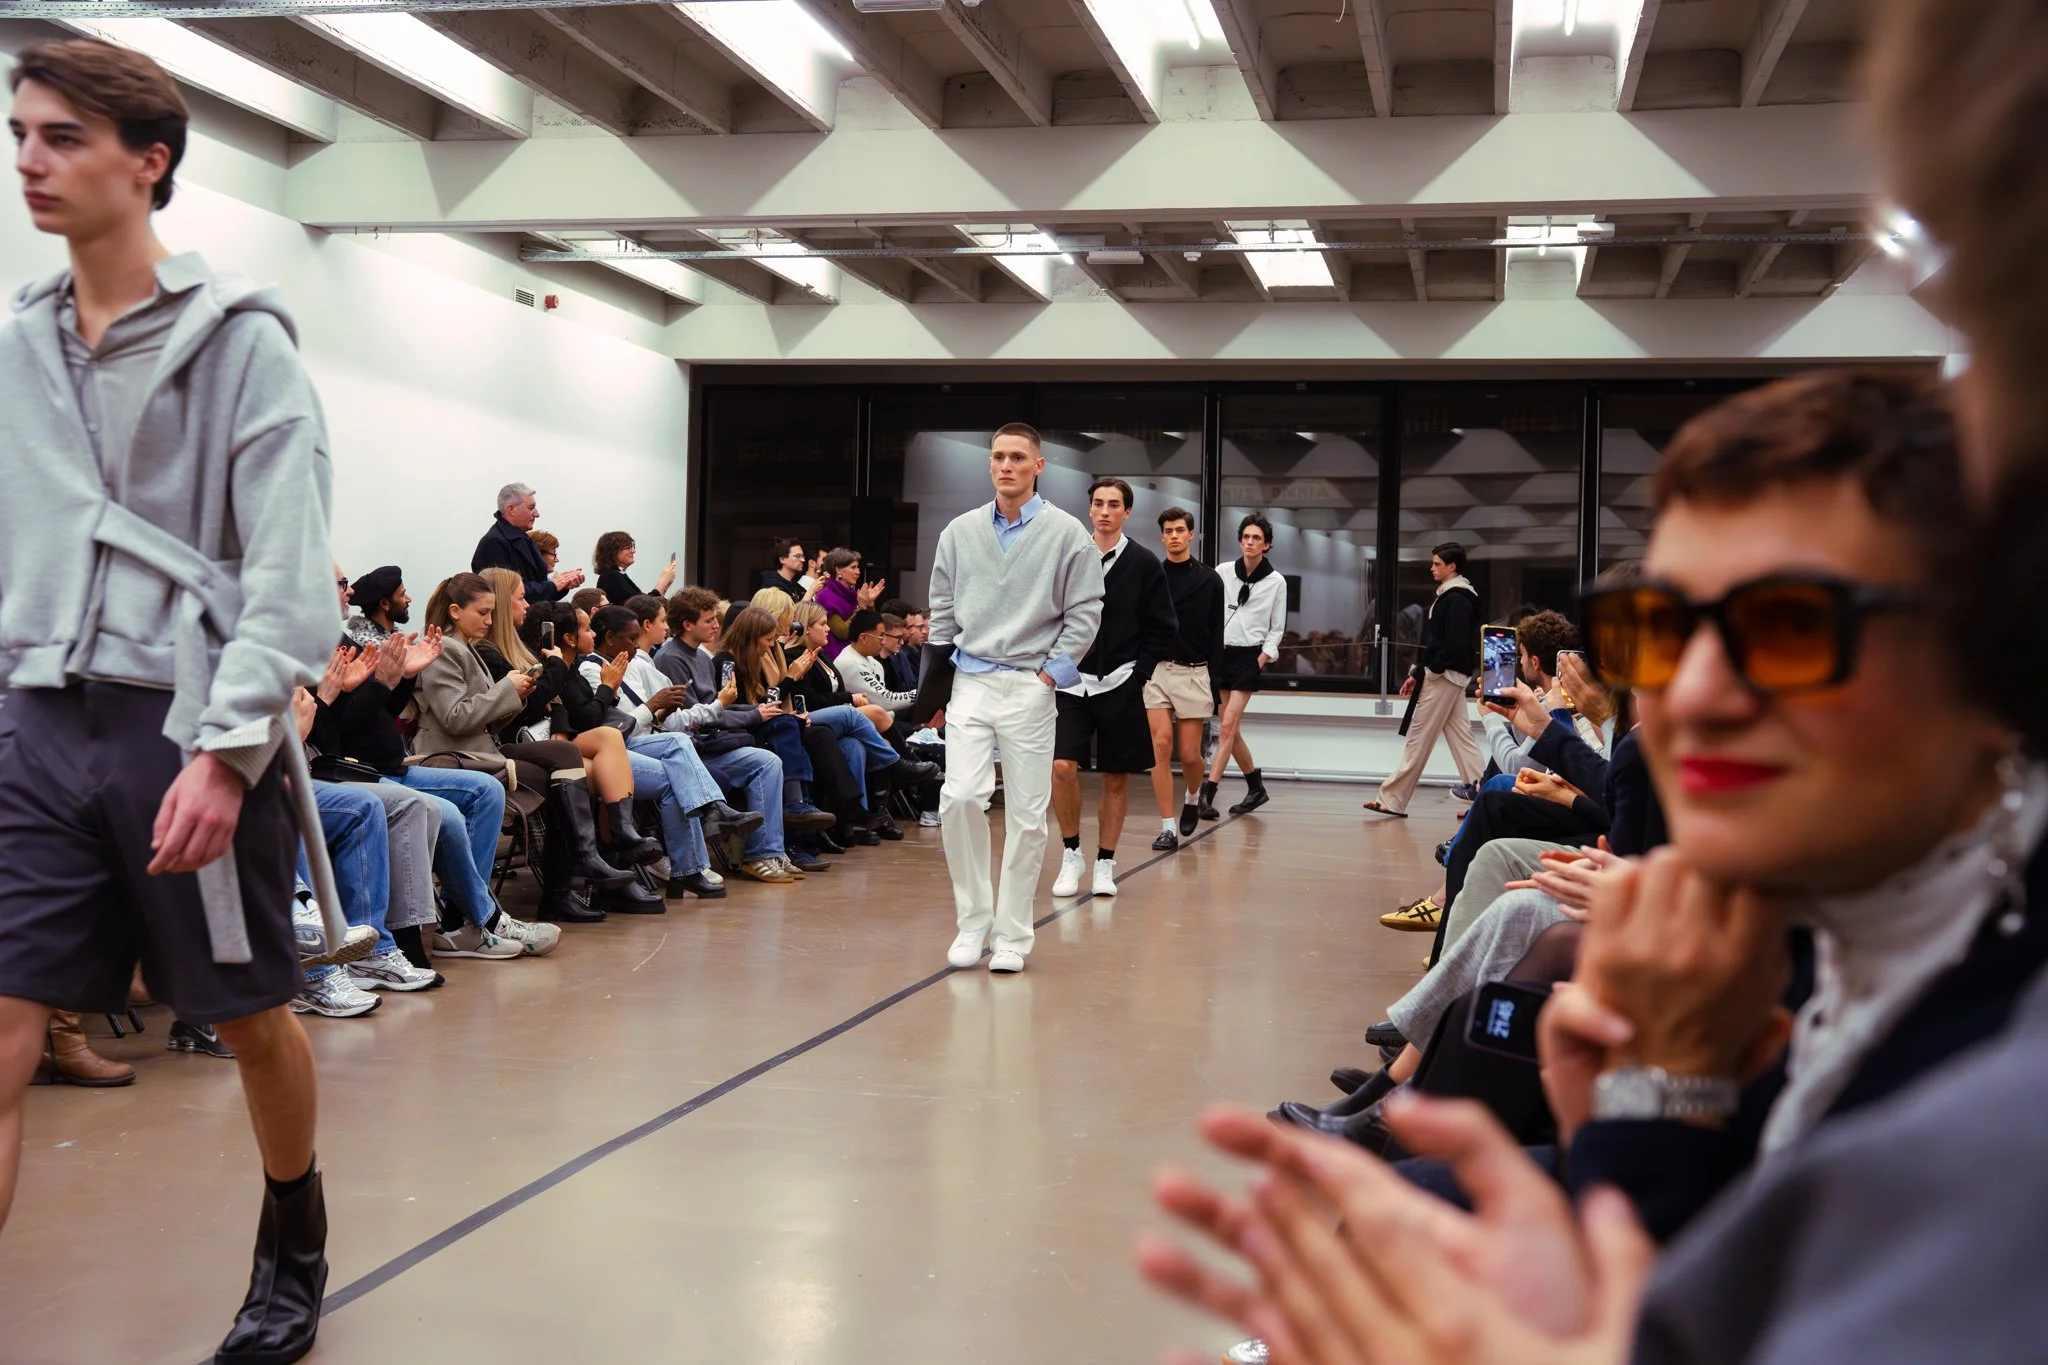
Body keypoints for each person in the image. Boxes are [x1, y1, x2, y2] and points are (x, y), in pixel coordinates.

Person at [1135, 371, 2048, 1365]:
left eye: (1788, 625)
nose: (1693, 692)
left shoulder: (2004, 1081)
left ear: (1992, 663)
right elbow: (1720, 1239)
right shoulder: (1816, 921)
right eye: (1658, 628)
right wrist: (1654, 1102)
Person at [0, 39, 339, 1364]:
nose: (31, 160)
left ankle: (293, 1230)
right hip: (37, 720)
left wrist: (227, 748)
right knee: (4, 1025)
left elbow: (289, 575)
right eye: (21, 134)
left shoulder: (243, 345)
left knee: (247, 1015)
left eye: (64, 137)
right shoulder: (18, 347)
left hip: (185, 721)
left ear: (149, 162)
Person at [932, 422, 1105, 974]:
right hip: (971, 679)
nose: (1006, 466)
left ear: (1038, 466)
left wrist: (1050, 676)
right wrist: (937, 685)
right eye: (999, 457)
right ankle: (972, 922)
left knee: (1028, 817)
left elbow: (1086, 611)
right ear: (990, 464)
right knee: (960, 798)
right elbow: (941, 609)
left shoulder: (1067, 534)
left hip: (1031, 683)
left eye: (1017, 457)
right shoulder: (959, 531)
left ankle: (1012, 936)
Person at [1051, 477, 1178, 898]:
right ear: (1090, 509)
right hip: (1070, 679)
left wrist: (1140, 674)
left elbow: (1163, 628)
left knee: (1116, 777)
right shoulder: (1070, 555)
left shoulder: (1143, 563)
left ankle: (1105, 861)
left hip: (1122, 680)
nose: (1105, 511)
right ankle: (1071, 853)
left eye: (1114, 505)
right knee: (1061, 766)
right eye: (1099, 503)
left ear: (1127, 512)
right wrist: (1052, 667)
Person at [1363, 540, 1486, 817]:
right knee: (1462, 739)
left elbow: (1451, 645)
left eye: (1437, 564)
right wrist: (1420, 672)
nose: (1432, 568)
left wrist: (1430, 671)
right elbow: (1440, 644)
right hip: (1450, 676)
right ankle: (1484, 798)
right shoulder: (1457, 597)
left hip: (1444, 677)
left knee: (1419, 739)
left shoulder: (1456, 599)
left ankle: (1392, 799)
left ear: (1451, 567)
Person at [1146, 506, 1224, 851]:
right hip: (1157, 671)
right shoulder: (1152, 576)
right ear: (1162, 536)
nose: (1174, 536)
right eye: (1168, 531)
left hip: (1195, 672)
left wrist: (1216, 687)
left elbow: (1216, 635)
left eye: (1180, 530)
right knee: (1160, 746)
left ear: (1191, 535)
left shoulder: (1210, 580)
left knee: (1190, 755)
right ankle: (1167, 827)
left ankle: (1193, 796)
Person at [1199, 513, 1287, 819]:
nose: (1250, 542)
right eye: (1246, 537)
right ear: (1240, 541)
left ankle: (1206, 795)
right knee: (1231, 730)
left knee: (1225, 727)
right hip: (1221, 655)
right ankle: (1256, 788)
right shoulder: (1223, 572)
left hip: (1249, 658)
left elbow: (1277, 627)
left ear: (1267, 545)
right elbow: (1209, 610)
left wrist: (1263, 657)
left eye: (1256, 538)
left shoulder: (1276, 582)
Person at [471, 482, 583, 605]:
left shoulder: (522, 539)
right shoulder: (494, 543)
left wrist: (562, 585)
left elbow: (535, 585)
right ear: (511, 509)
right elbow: (508, 592)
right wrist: (552, 586)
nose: (537, 513)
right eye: (531, 507)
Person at [811, 547, 884, 662]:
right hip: (837, 660)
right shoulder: (825, 596)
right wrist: (861, 606)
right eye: (853, 567)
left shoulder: (852, 594)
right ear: (838, 570)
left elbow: (870, 627)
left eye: (858, 567)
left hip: (858, 657)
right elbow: (843, 632)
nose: (858, 572)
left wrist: (869, 604)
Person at [593, 530, 675, 606]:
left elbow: (643, 603)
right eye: (628, 547)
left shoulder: (615, 575)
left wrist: (665, 586)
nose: (633, 551)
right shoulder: (611, 576)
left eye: (632, 547)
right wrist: (662, 581)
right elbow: (640, 607)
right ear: (613, 552)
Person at [342, 564, 409, 648]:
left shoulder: (399, 642)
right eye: (402, 594)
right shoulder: (367, 648)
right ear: (384, 604)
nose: (409, 599)